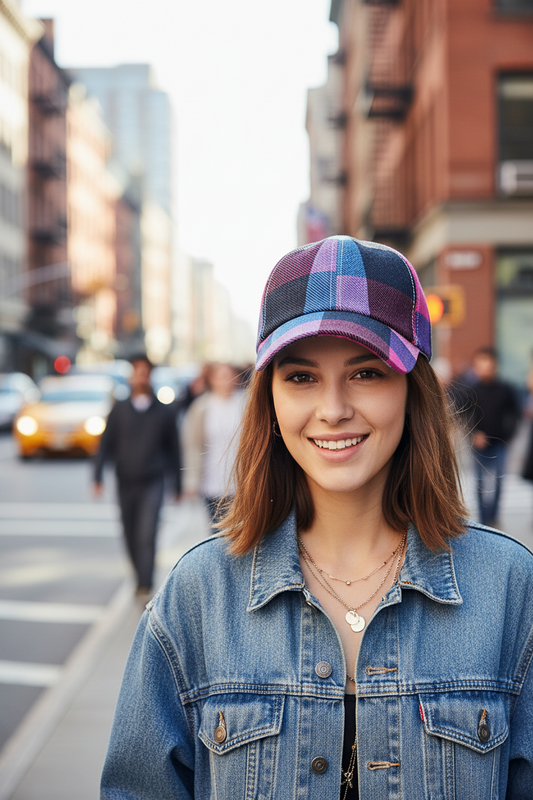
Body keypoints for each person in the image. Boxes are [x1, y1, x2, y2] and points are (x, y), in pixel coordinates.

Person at [101, 237, 533, 799]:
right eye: (301, 377)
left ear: (412, 391)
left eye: (367, 373)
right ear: (271, 399)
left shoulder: (508, 588)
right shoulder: (199, 595)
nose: (332, 409)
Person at [93, 354, 181, 595]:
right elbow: (105, 444)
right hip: (125, 481)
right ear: (131, 376)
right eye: (137, 371)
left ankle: (145, 583)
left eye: (145, 371)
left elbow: (175, 448)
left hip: (153, 481)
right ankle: (138, 577)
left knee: (147, 533)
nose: (141, 376)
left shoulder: (163, 411)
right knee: (130, 533)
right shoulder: (119, 409)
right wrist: (97, 477)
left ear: (150, 375)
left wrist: (178, 484)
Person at [455, 347, 521, 527]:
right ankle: (484, 521)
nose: (485, 368)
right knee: (481, 484)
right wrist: (473, 435)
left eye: (488, 363)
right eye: (481, 364)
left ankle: (493, 518)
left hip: (500, 444)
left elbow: (515, 415)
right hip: (479, 446)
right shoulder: (471, 390)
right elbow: (462, 416)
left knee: (499, 483)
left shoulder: (506, 389)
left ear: (495, 365)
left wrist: (507, 436)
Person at [181, 362, 245, 523]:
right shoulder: (201, 407)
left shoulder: (246, 403)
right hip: (211, 482)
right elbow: (192, 445)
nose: (226, 380)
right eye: (221, 376)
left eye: (229, 375)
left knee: (240, 534)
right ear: (212, 379)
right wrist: (191, 481)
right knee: (216, 534)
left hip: (241, 482)